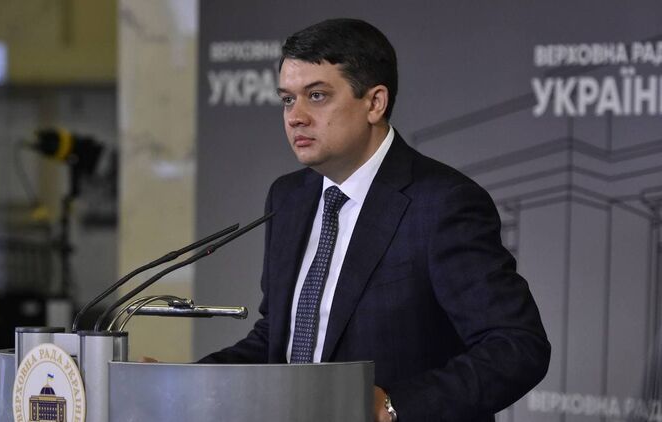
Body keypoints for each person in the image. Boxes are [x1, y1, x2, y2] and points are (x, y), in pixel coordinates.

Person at [200, 18, 550, 422]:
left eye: (316, 96)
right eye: (287, 99)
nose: (295, 116)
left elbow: (517, 346)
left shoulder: (442, 203)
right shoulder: (288, 197)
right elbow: (279, 339)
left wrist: (392, 406)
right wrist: (186, 382)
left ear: (374, 103)